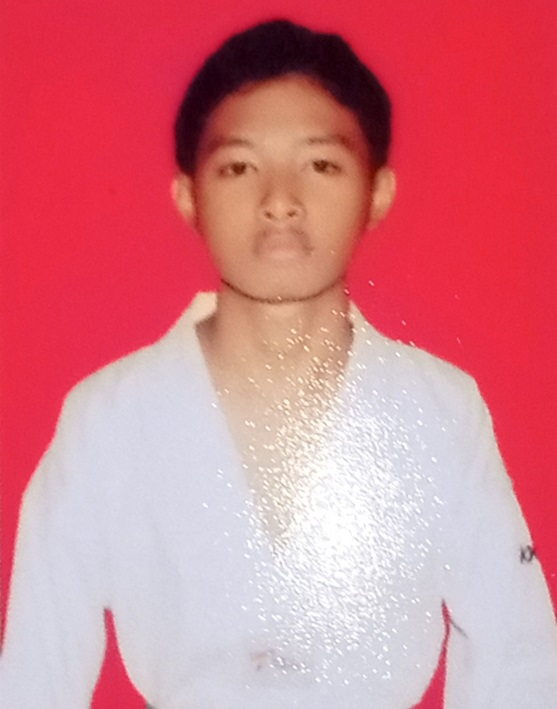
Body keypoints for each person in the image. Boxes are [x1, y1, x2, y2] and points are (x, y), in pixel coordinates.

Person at [2, 19, 557, 709]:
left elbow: (520, 660)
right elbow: (35, 674)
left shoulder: (439, 410)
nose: (279, 201)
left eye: (320, 165)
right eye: (238, 167)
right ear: (188, 197)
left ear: (378, 193)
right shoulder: (108, 417)